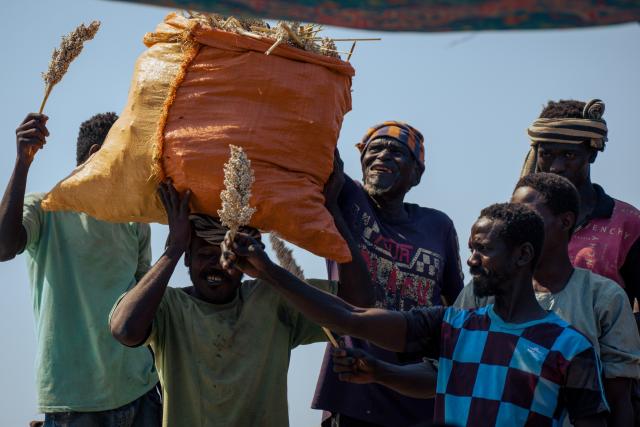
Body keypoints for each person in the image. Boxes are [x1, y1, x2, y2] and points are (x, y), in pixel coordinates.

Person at [222, 202, 609, 427]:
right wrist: (268, 271)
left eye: (484, 250)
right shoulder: (454, 326)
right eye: (470, 248)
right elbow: (351, 318)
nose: (471, 260)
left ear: (523, 255)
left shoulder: (568, 348)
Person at [109, 177, 373, 427]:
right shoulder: (170, 306)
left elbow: (358, 301)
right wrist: (174, 248)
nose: (217, 265)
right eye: (204, 254)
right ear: (187, 258)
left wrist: (332, 213)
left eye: (226, 255)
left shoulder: (272, 299)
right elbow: (124, 330)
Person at [0, 113, 160, 426]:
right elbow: (4, 247)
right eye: (126, 158)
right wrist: (23, 163)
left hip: (139, 394)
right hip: (73, 404)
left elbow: (146, 310)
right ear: (96, 155)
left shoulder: (133, 219)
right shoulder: (44, 209)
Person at [455, 172, 640, 426]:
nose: (515, 228)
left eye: (528, 217)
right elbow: (446, 369)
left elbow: (619, 402)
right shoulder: (481, 291)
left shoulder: (604, 298)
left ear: (565, 222)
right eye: (512, 217)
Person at [314, 121, 464, 426]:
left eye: (396, 151)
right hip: (354, 389)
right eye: (374, 149)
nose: (382, 155)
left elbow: (458, 309)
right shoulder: (347, 197)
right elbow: (314, 147)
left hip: (418, 395)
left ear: (417, 174)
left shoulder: (437, 226)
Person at [522, 99, 640, 305]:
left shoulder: (628, 222)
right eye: (546, 154)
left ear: (592, 154)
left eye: (569, 155)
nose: (556, 167)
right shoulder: (521, 220)